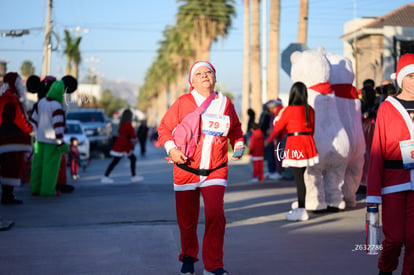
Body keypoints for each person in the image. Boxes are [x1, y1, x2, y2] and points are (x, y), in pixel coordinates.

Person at [158, 61, 244, 275]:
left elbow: (235, 129)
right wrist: (171, 150)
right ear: (192, 81)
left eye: (209, 72)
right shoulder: (183, 102)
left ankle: (213, 265)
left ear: (215, 77)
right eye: (199, 73)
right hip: (185, 170)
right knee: (187, 221)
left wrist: (239, 145)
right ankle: (188, 257)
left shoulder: (225, 103)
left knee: (216, 215)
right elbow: (164, 129)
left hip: (216, 170)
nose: (205, 75)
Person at [366, 53, 414, 275]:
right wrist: (373, 194)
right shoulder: (387, 107)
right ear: (401, 78)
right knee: (394, 239)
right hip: (393, 183)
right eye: (411, 76)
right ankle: (385, 271)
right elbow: (377, 152)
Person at [264, 82, 319, 221]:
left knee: (299, 179)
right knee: (302, 178)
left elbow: (278, 128)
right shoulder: (310, 110)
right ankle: (302, 207)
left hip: (295, 144)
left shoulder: (289, 110)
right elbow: (312, 130)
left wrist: (269, 140)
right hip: (307, 144)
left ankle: (301, 210)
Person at [0, 72, 33, 204]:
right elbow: (21, 120)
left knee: (6, 167)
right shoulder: (13, 99)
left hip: (4, 138)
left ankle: (8, 194)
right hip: (13, 139)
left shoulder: (3, 97)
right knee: (12, 167)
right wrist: (30, 129)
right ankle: (8, 196)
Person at [101, 109, 144, 184]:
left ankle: (106, 176)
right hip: (124, 144)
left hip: (122, 143)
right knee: (121, 160)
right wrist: (135, 139)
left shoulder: (123, 123)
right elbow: (132, 134)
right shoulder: (128, 124)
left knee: (119, 160)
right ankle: (106, 176)